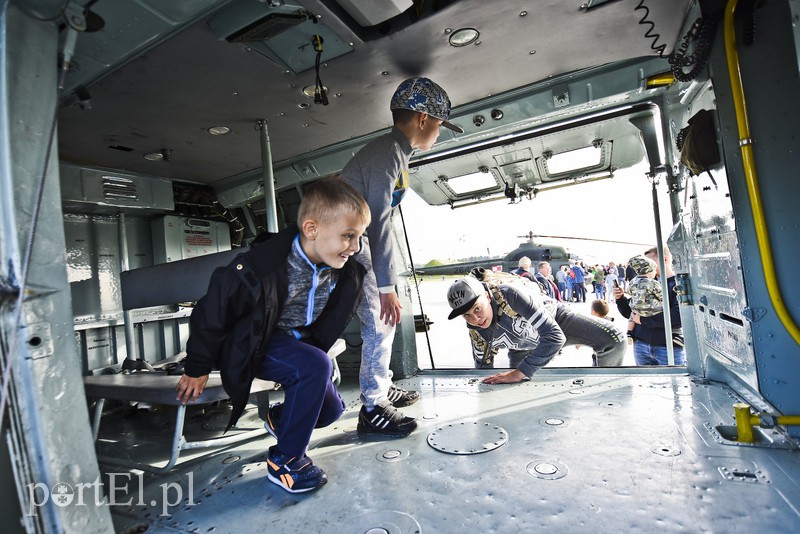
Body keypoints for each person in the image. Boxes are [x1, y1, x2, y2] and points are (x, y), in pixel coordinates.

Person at [176, 177, 370, 494]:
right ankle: (285, 461)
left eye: (359, 236)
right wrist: (197, 366)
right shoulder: (260, 266)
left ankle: (279, 418)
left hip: (296, 342)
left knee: (331, 410)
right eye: (348, 236)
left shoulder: (345, 271)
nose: (356, 247)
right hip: (251, 341)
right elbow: (212, 310)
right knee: (315, 366)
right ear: (312, 230)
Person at [341, 76, 462, 437]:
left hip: (356, 246)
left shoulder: (395, 152)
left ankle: (379, 386)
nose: (439, 133)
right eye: (439, 124)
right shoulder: (387, 152)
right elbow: (377, 221)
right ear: (423, 118)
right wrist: (387, 287)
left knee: (383, 324)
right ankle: (374, 406)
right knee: (381, 320)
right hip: (350, 245)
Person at [446, 273, 626, 383]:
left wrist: (522, 371)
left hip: (557, 322)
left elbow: (555, 337)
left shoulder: (510, 295)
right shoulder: (475, 329)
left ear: (487, 296)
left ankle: (603, 386)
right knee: (514, 390)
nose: (475, 319)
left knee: (615, 338)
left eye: (477, 308)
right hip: (521, 347)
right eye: (467, 315)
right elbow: (483, 370)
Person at [613, 246, 685, 366]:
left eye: (649, 262)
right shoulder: (644, 283)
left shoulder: (677, 284)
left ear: (665, 260)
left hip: (668, 348)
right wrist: (620, 298)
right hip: (640, 346)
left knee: (673, 384)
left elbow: (677, 318)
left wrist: (643, 320)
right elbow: (629, 313)